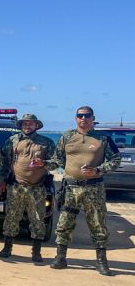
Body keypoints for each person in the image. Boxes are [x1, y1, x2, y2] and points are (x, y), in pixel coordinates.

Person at [51, 106, 121, 276]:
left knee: (98, 223)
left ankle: (101, 262)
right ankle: (61, 258)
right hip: (70, 187)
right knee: (64, 222)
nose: (83, 118)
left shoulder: (103, 138)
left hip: (93, 188)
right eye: (80, 115)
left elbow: (116, 159)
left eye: (87, 116)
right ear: (76, 118)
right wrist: (40, 165)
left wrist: (98, 170)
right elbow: (57, 159)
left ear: (92, 118)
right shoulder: (67, 137)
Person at [0, 114, 57, 261]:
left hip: (37, 187)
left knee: (37, 219)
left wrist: (44, 164)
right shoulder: (12, 141)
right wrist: (2, 179)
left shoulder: (46, 142)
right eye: (25, 124)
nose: (27, 126)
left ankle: (36, 252)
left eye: (31, 124)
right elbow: (5, 162)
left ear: (36, 125)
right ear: (21, 126)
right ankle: (7, 248)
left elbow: (56, 162)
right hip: (16, 186)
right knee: (11, 218)